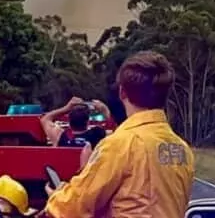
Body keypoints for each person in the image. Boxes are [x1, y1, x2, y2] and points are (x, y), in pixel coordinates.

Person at [39, 51, 193, 218]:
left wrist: (57, 196)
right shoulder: (182, 149)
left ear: (122, 93)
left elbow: (75, 206)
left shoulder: (120, 145)